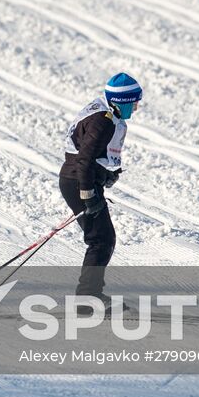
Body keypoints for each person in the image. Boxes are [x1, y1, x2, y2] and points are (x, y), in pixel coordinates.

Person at [59, 73, 142, 310]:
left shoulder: (104, 113)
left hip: (79, 180)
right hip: (78, 182)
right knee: (101, 240)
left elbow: (88, 156)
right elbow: (83, 159)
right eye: (134, 102)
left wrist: (104, 174)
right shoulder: (103, 120)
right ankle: (87, 300)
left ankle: (89, 297)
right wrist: (88, 193)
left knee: (101, 239)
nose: (136, 107)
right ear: (122, 101)